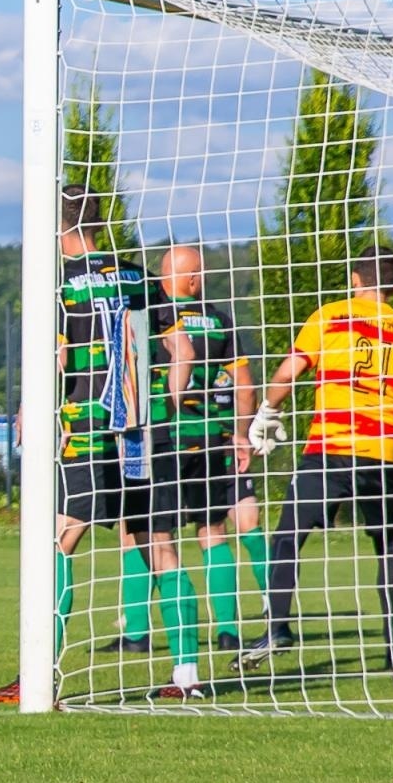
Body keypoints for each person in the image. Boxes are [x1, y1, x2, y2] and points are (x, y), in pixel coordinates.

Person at [0, 185, 188, 704]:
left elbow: (58, 358)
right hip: (142, 427)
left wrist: (35, 410)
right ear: (97, 220)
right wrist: (166, 406)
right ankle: (187, 676)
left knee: (59, 540)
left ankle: (38, 674)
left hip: (88, 426)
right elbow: (179, 346)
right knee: (156, 542)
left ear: (57, 225)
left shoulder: (59, 282)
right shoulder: (136, 274)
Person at [236, 246, 393, 673]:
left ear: (354, 279)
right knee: (387, 545)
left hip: (330, 447)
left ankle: (277, 627)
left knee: (289, 535)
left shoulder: (329, 316)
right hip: (382, 454)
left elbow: (289, 372)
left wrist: (268, 412)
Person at [107, 246, 264, 663]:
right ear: (193, 279)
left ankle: (138, 633)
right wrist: (241, 435)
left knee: (143, 534)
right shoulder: (219, 320)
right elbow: (244, 386)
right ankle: (229, 631)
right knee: (213, 532)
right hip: (210, 441)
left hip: (163, 440)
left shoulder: (150, 315)